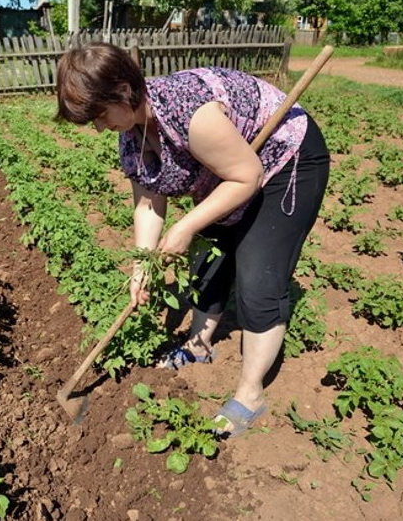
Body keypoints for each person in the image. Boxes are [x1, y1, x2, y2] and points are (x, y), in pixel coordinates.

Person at [55, 42, 330, 438]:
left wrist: (184, 228)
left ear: (124, 91)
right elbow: (148, 204)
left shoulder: (188, 111)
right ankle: (198, 345)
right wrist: (142, 265)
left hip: (285, 160)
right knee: (205, 261)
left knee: (258, 279)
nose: (99, 128)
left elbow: (247, 176)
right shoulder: (131, 137)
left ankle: (250, 395)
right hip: (229, 169)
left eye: (99, 115)